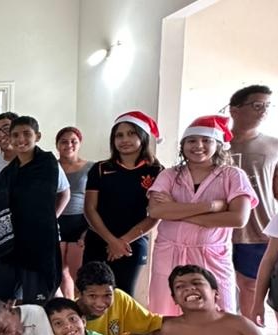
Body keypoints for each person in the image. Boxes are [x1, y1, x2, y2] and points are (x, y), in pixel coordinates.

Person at [147, 115, 257, 315]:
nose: (198, 146)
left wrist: (176, 211)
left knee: (219, 312)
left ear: (218, 145)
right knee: (166, 312)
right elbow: (155, 210)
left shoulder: (233, 175)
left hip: (212, 257)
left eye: (206, 140)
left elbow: (238, 219)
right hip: (170, 254)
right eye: (191, 140)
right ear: (183, 145)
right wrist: (211, 206)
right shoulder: (169, 175)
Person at [0, 116, 70, 304]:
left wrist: (51, 219)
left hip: (39, 241)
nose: (20, 139)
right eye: (15, 135)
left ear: (37, 136)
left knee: (38, 300)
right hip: (11, 242)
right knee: (3, 301)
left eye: (26, 134)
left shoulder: (47, 164)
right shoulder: (8, 172)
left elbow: (62, 193)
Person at [83, 111, 163, 294]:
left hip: (132, 243)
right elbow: (90, 209)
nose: (124, 139)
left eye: (131, 133)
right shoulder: (100, 168)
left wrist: (122, 242)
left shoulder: (157, 171)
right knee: (92, 295)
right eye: (119, 135)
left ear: (142, 136)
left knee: (124, 296)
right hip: (98, 240)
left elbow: (155, 214)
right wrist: (111, 241)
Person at [229, 85, 278, 320]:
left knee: (251, 285)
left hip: (259, 229)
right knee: (214, 285)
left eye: (268, 106)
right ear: (235, 110)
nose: (263, 111)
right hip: (217, 229)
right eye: (257, 105)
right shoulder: (212, 142)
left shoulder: (274, 145)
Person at [56, 127, 93, 299]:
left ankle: (83, 308)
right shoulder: (51, 166)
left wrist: (89, 229)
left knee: (78, 274)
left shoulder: (91, 167)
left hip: (80, 223)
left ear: (80, 143)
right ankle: (68, 306)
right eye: (64, 141)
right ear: (57, 145)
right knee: (60, 273)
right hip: (57, 220)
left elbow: (96, 201)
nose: (68, 145)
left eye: (73, 141)